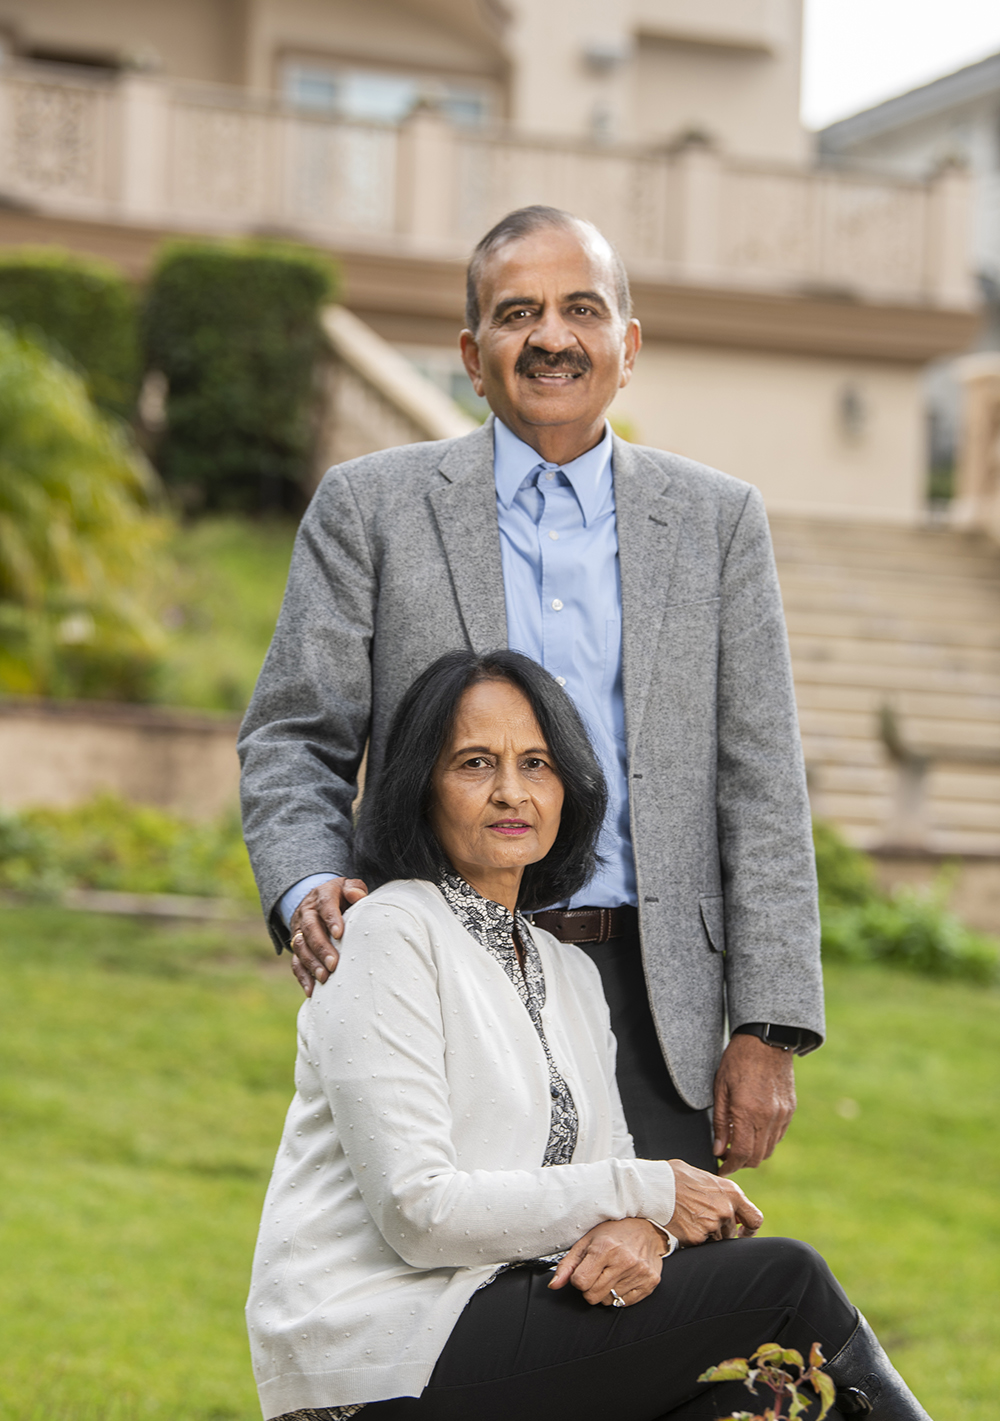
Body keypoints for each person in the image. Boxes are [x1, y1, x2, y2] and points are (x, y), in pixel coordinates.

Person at [246, 650, 986, 1421]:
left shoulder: (570, 974)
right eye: (474, 764)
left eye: (537, 765)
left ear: (569, 790)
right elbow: (420, 1211)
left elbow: (614, 1177)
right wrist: (653, 1193)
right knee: (786, 1278)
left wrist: (648, 1230)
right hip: (372, 1368)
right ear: (421, 785)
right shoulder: (386, 934)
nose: (512, 793)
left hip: (508, 1339)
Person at [238, 203, 825, 1177]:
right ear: (473, 357)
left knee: (655, 1301)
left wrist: (769, 1026)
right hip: (439, 970)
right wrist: (309, 884)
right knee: (460, 1293)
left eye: (580, 309)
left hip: (657, 995)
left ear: (625, 346)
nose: (551, 337)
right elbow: (294, 732)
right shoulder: (370, 508)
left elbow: (760, 778)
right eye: (517, 314)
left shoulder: (718, 523)